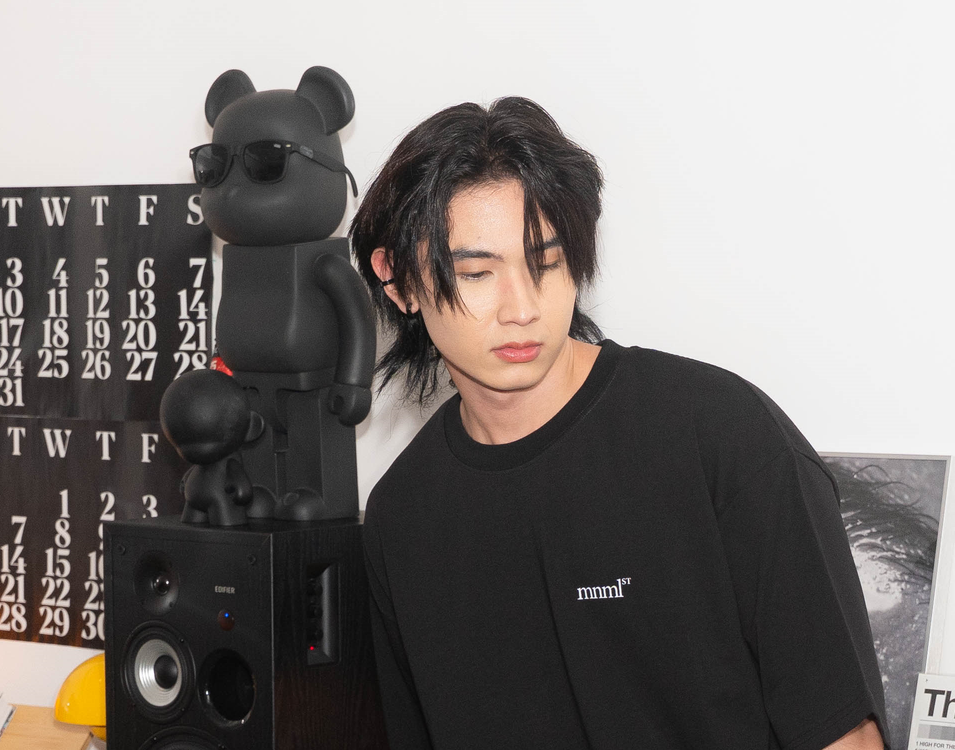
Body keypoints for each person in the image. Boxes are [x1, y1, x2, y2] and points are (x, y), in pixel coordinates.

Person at [352, 98, 886, 749]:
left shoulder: (723, 439)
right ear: (398, 281)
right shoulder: (403, 517)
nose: (522, 307)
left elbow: (845, 736)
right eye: (477, 272)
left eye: (546, 263)